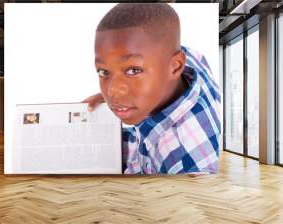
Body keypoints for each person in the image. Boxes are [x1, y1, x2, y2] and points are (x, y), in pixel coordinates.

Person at [84, 3, 221, 174]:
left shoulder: (183, 163)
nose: (113, 91)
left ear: (175, 67)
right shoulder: (192, 60)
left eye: (133, 70)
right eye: (104, 71)